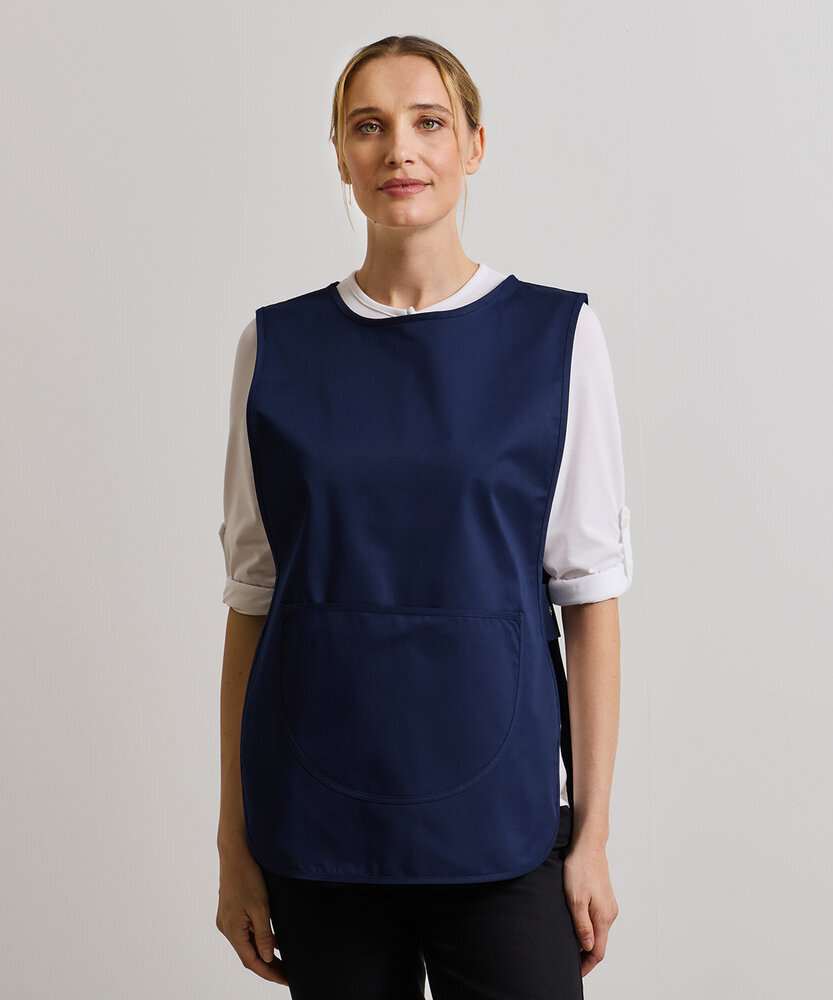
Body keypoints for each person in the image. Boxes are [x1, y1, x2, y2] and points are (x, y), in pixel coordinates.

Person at [215, 33, 632, 1000]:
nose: (398, 149)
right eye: (368, 126)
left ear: (473, 146)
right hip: (317, 820)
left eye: (427, 122)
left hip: (503, 819)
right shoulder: (274, 348)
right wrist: (233, 841)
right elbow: (252, 602)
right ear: (339, 155)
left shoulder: (556, 337)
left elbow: (590, 598)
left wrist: (591, 836)